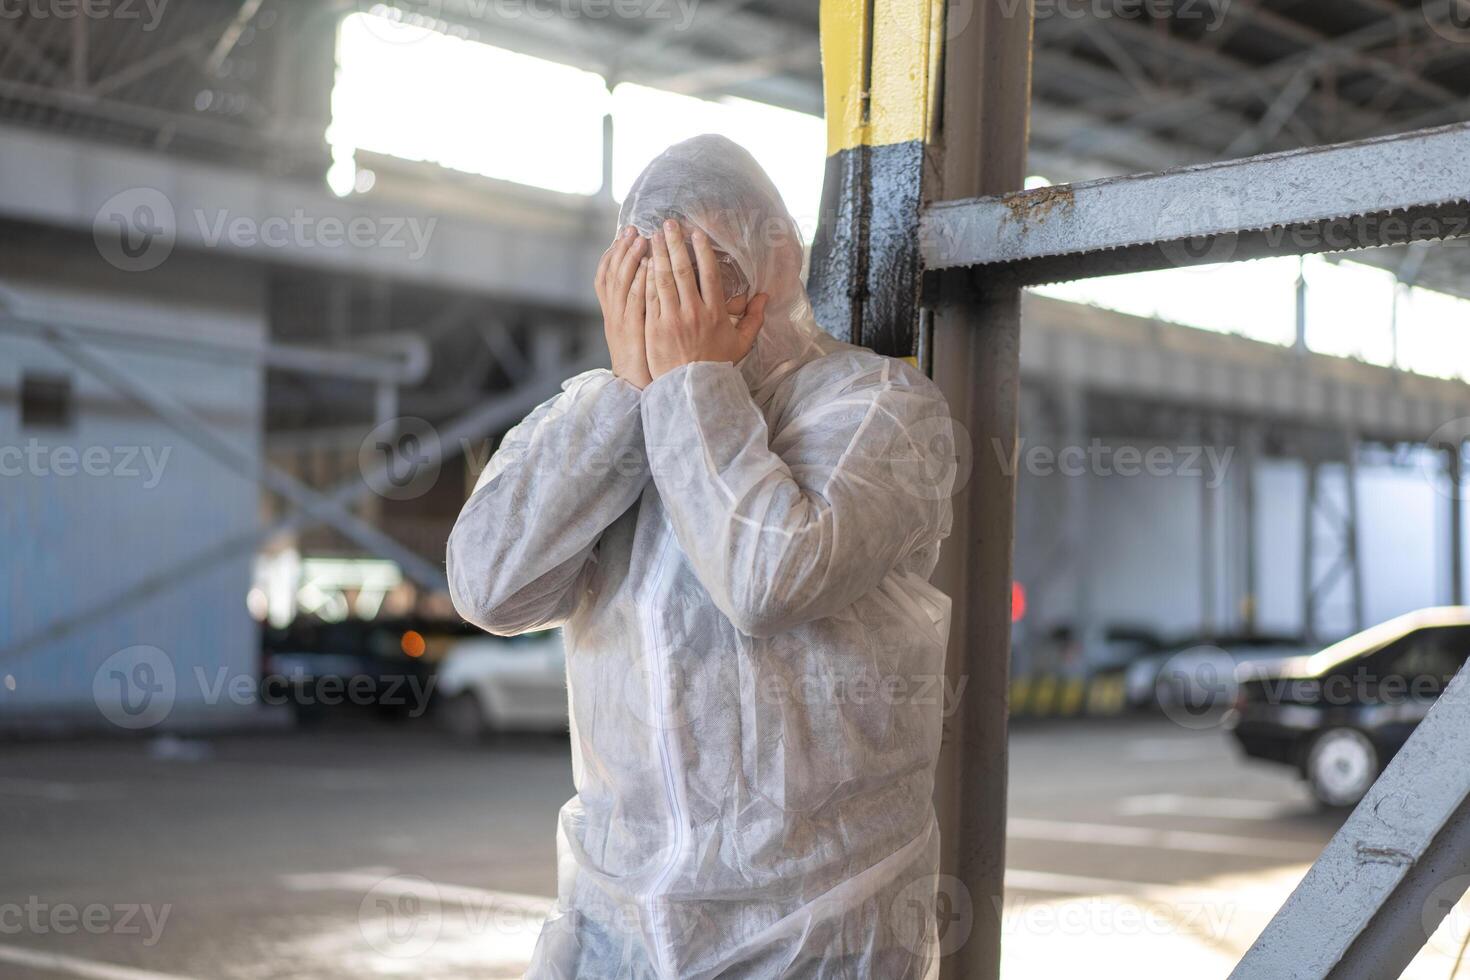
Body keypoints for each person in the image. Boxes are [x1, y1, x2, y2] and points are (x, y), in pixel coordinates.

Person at [447, 134, 957, 979]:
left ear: (781, 262)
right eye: (650, 270)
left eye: (700, 265)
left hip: (815, 932)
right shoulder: (602, 417)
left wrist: (689, 388)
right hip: (618, 929)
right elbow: (489, 588)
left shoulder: (880, 409)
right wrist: (627, 399)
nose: (674, 301)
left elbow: (766, 581)